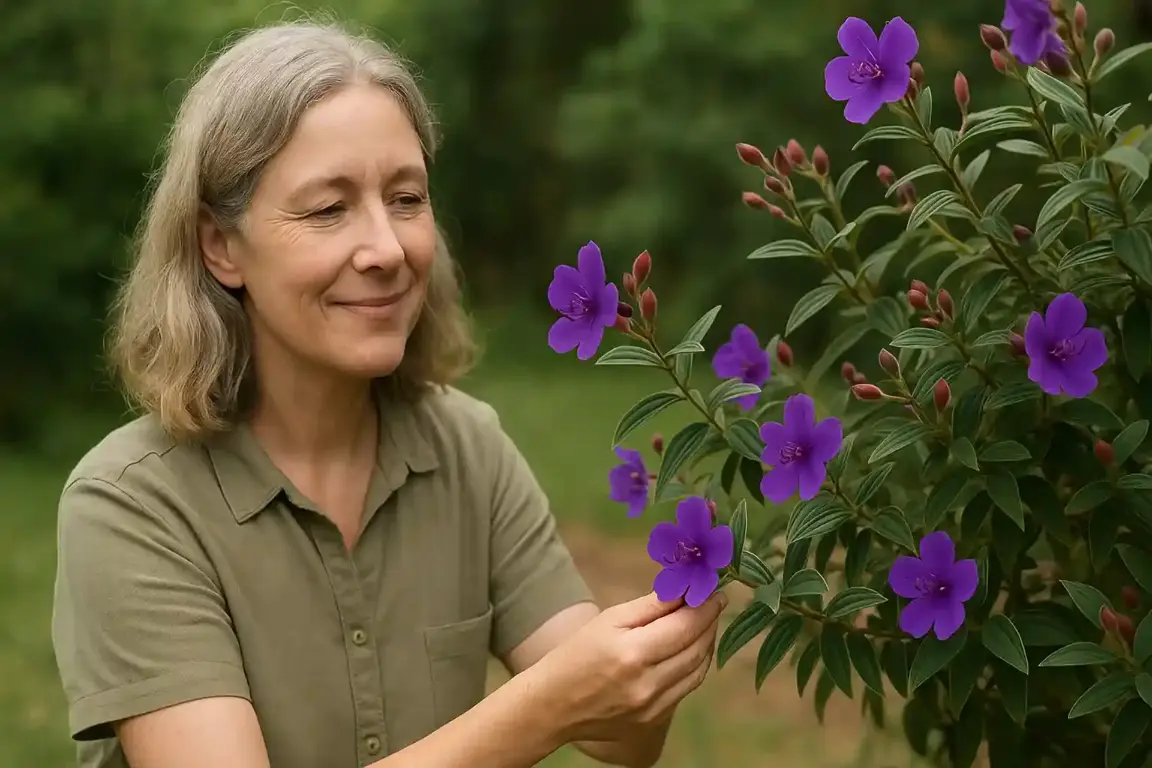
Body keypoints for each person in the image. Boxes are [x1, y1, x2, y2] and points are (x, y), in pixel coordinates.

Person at [50, 19, 727, 768]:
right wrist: (549, 704)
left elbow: (621, 738)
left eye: (406, 198)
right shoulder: (129, 505)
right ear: (221, 246)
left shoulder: (468, 448)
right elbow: (565, 698)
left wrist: (648, 663)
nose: (387, 248)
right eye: (328, 209)